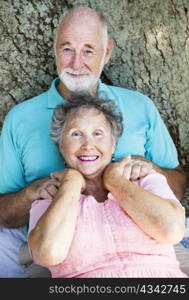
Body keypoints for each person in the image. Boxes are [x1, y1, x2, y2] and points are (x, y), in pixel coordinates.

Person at [0, 6, 186, 278]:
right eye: (67, 49)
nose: (76, 63)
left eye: (88, 50)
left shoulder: (140, 107)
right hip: (65, 248)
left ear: (107, 52)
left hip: (148, 241)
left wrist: (149, 170)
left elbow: (177, 192)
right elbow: (8, 216)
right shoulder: (21, 119)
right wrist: (32, 193)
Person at [28, 94, 187, 278]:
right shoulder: (52, 195)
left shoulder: (143, 178)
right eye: (76, 134)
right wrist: (71, 182)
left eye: (97, 134)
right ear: (62, 147)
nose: (88, 145)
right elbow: (47, 253)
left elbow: (172, 230)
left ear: (113, 144)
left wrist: (114, 180)